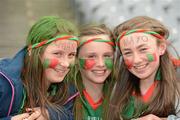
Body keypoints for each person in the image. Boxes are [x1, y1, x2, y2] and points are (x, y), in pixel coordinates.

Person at [0, 16, 79, 120]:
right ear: (33, 52)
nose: (66, 64)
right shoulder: (3, 81)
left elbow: (73, 116)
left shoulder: (74, 83)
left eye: (71, 55)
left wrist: (50, 114)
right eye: (57, 54)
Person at [107, 16, 180, 120]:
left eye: (143, 49)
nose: (136, 60)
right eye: (128, 52)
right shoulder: (116, 89)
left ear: (161, 47)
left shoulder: (177, 86)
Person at [73, 24, 115, 120]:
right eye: (91, 56)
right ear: (76, 59)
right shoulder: (63, 99)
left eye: (107, 56)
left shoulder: (125, 98)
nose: (101, 64)